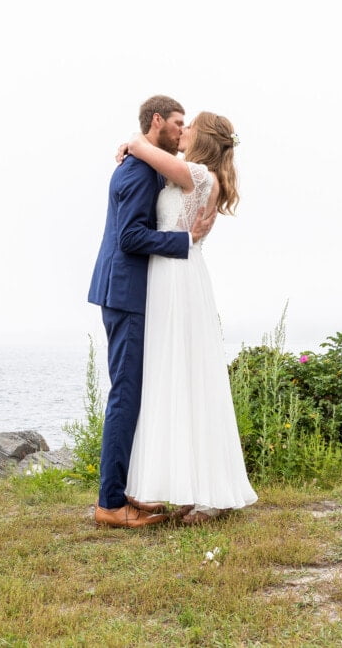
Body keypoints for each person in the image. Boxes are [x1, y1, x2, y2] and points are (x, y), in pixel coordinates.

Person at [121, 111, 258, 524]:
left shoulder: (198, 174)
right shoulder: (195, 175)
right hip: (170, 274)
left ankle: (209, 495)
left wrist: (131, 143)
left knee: (188, 376)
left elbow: (142, 145)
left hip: (178, 278)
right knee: (175, 377)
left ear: (203, 138)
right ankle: (189, 487)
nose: (182, 131)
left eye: (189, 126)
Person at [87, 96, 215, 529]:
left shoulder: (147, 164)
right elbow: (130, 237)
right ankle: (110, 503)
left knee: (133, 393)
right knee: (126, 395)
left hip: (127, 292)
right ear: (157, 121)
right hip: (126, 293)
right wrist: (184, 241)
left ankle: (123, 493)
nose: (182, 130)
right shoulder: (141, 170)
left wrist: (134, 143)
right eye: (177, 122)